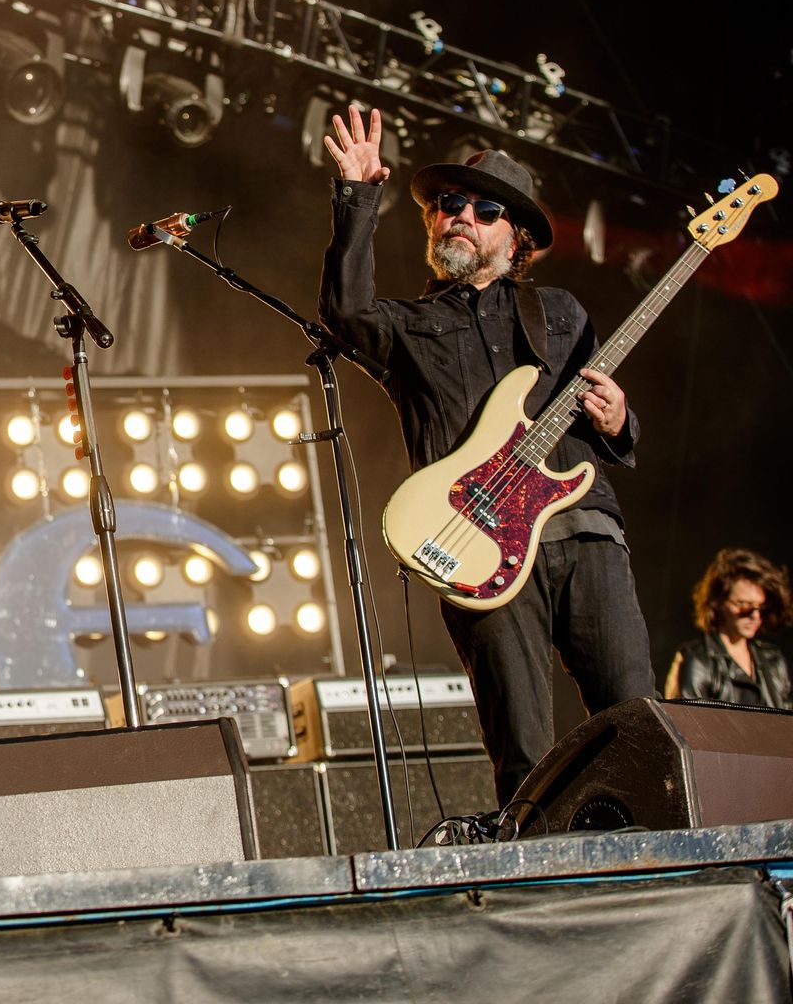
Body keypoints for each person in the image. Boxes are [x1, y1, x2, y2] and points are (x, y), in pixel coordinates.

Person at [319, 105, 656, 807]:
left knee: (635, 719)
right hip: (478, 547)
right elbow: (345, 312)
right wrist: (358, 197)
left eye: (484, 210)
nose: (461, 217)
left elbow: (605, 422)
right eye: (448, 205)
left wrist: (619, 418)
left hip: (583, 531)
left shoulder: (560, 312)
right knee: (525, 750)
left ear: (516, 237)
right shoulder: (408, 327)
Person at [665, 548, 793, 709]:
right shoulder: (698, 659)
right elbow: (686, 719)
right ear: (719, 602)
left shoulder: (773, 659)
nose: (755, 616)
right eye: (744, 606)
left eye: (761, 607)